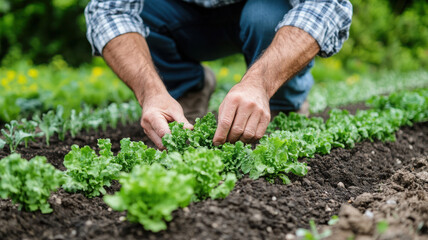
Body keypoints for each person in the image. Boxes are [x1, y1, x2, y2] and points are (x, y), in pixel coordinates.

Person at [85, 0, 352, 149]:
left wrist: (258, 83)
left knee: (263, 18)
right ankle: (183, 92)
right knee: (142, 14)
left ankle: (280, 104)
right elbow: (107, 11)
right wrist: (150, 93)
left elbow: (327, 5)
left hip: (266, 11)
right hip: (181, 13)